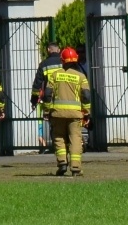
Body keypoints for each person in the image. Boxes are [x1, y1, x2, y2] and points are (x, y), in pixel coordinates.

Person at [39, 46, 91, 176]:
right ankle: (75, 168)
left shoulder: (55, 75)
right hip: (75, 114)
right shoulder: (81, 77)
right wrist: (87, 111)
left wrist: (46, 110)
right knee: (75, 139)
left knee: (59, 138)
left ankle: (62, 164)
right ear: (76, 60)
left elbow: (47, 94)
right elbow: (86, 96)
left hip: (57, 113)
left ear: (62, 60)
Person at [30, 43, 64, 152]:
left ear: (49, 50)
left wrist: (34, 100)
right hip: (68, 97)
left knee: (55, 127)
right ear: (58, 50)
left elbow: (37, 85)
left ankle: (57, 148)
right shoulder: (64, 63)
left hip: (51, 100)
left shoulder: (44, 64)